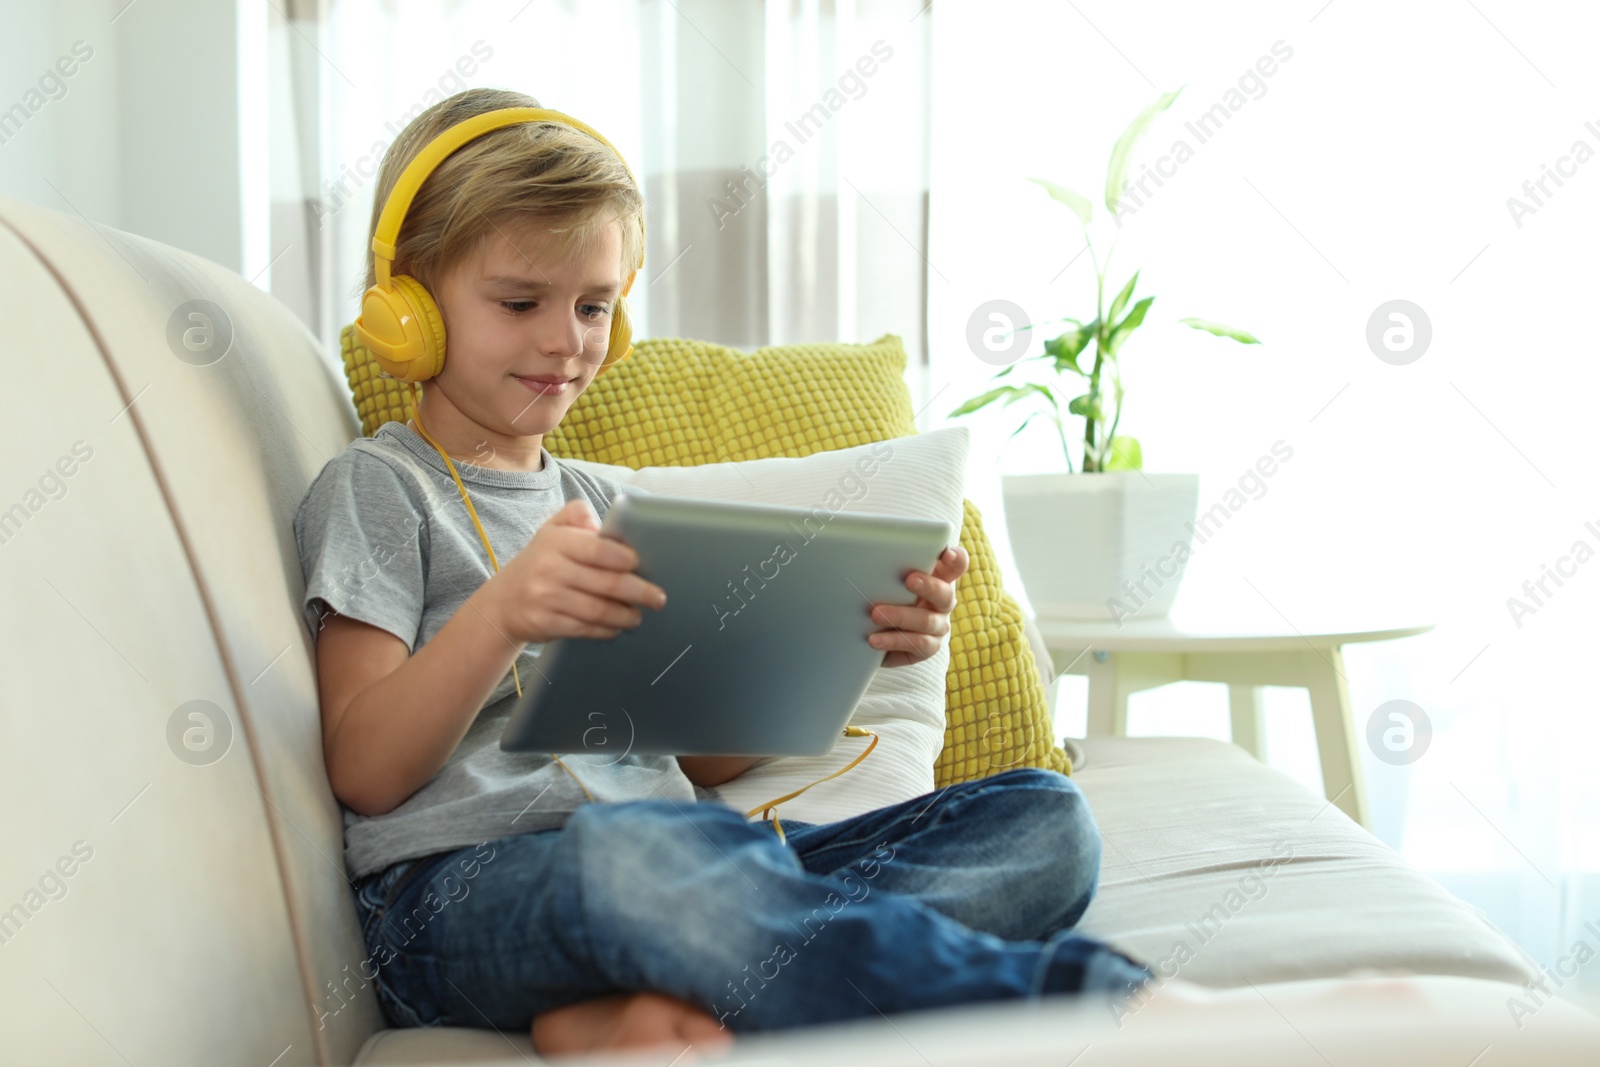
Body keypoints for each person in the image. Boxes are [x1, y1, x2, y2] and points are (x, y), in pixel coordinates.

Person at [293, 86, 1153, 1059]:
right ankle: (1095, 1000)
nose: (564, 340)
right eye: (520, 301)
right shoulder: (379, 486)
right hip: (462, 895)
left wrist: (836, 646)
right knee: (649, 858)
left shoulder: (603, 498)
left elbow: (695, 766)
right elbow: (363, 768)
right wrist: (500, 615)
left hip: (689, 860)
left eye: (592, 305)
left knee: (1039, 818)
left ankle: (670, 987)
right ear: (408, 304)